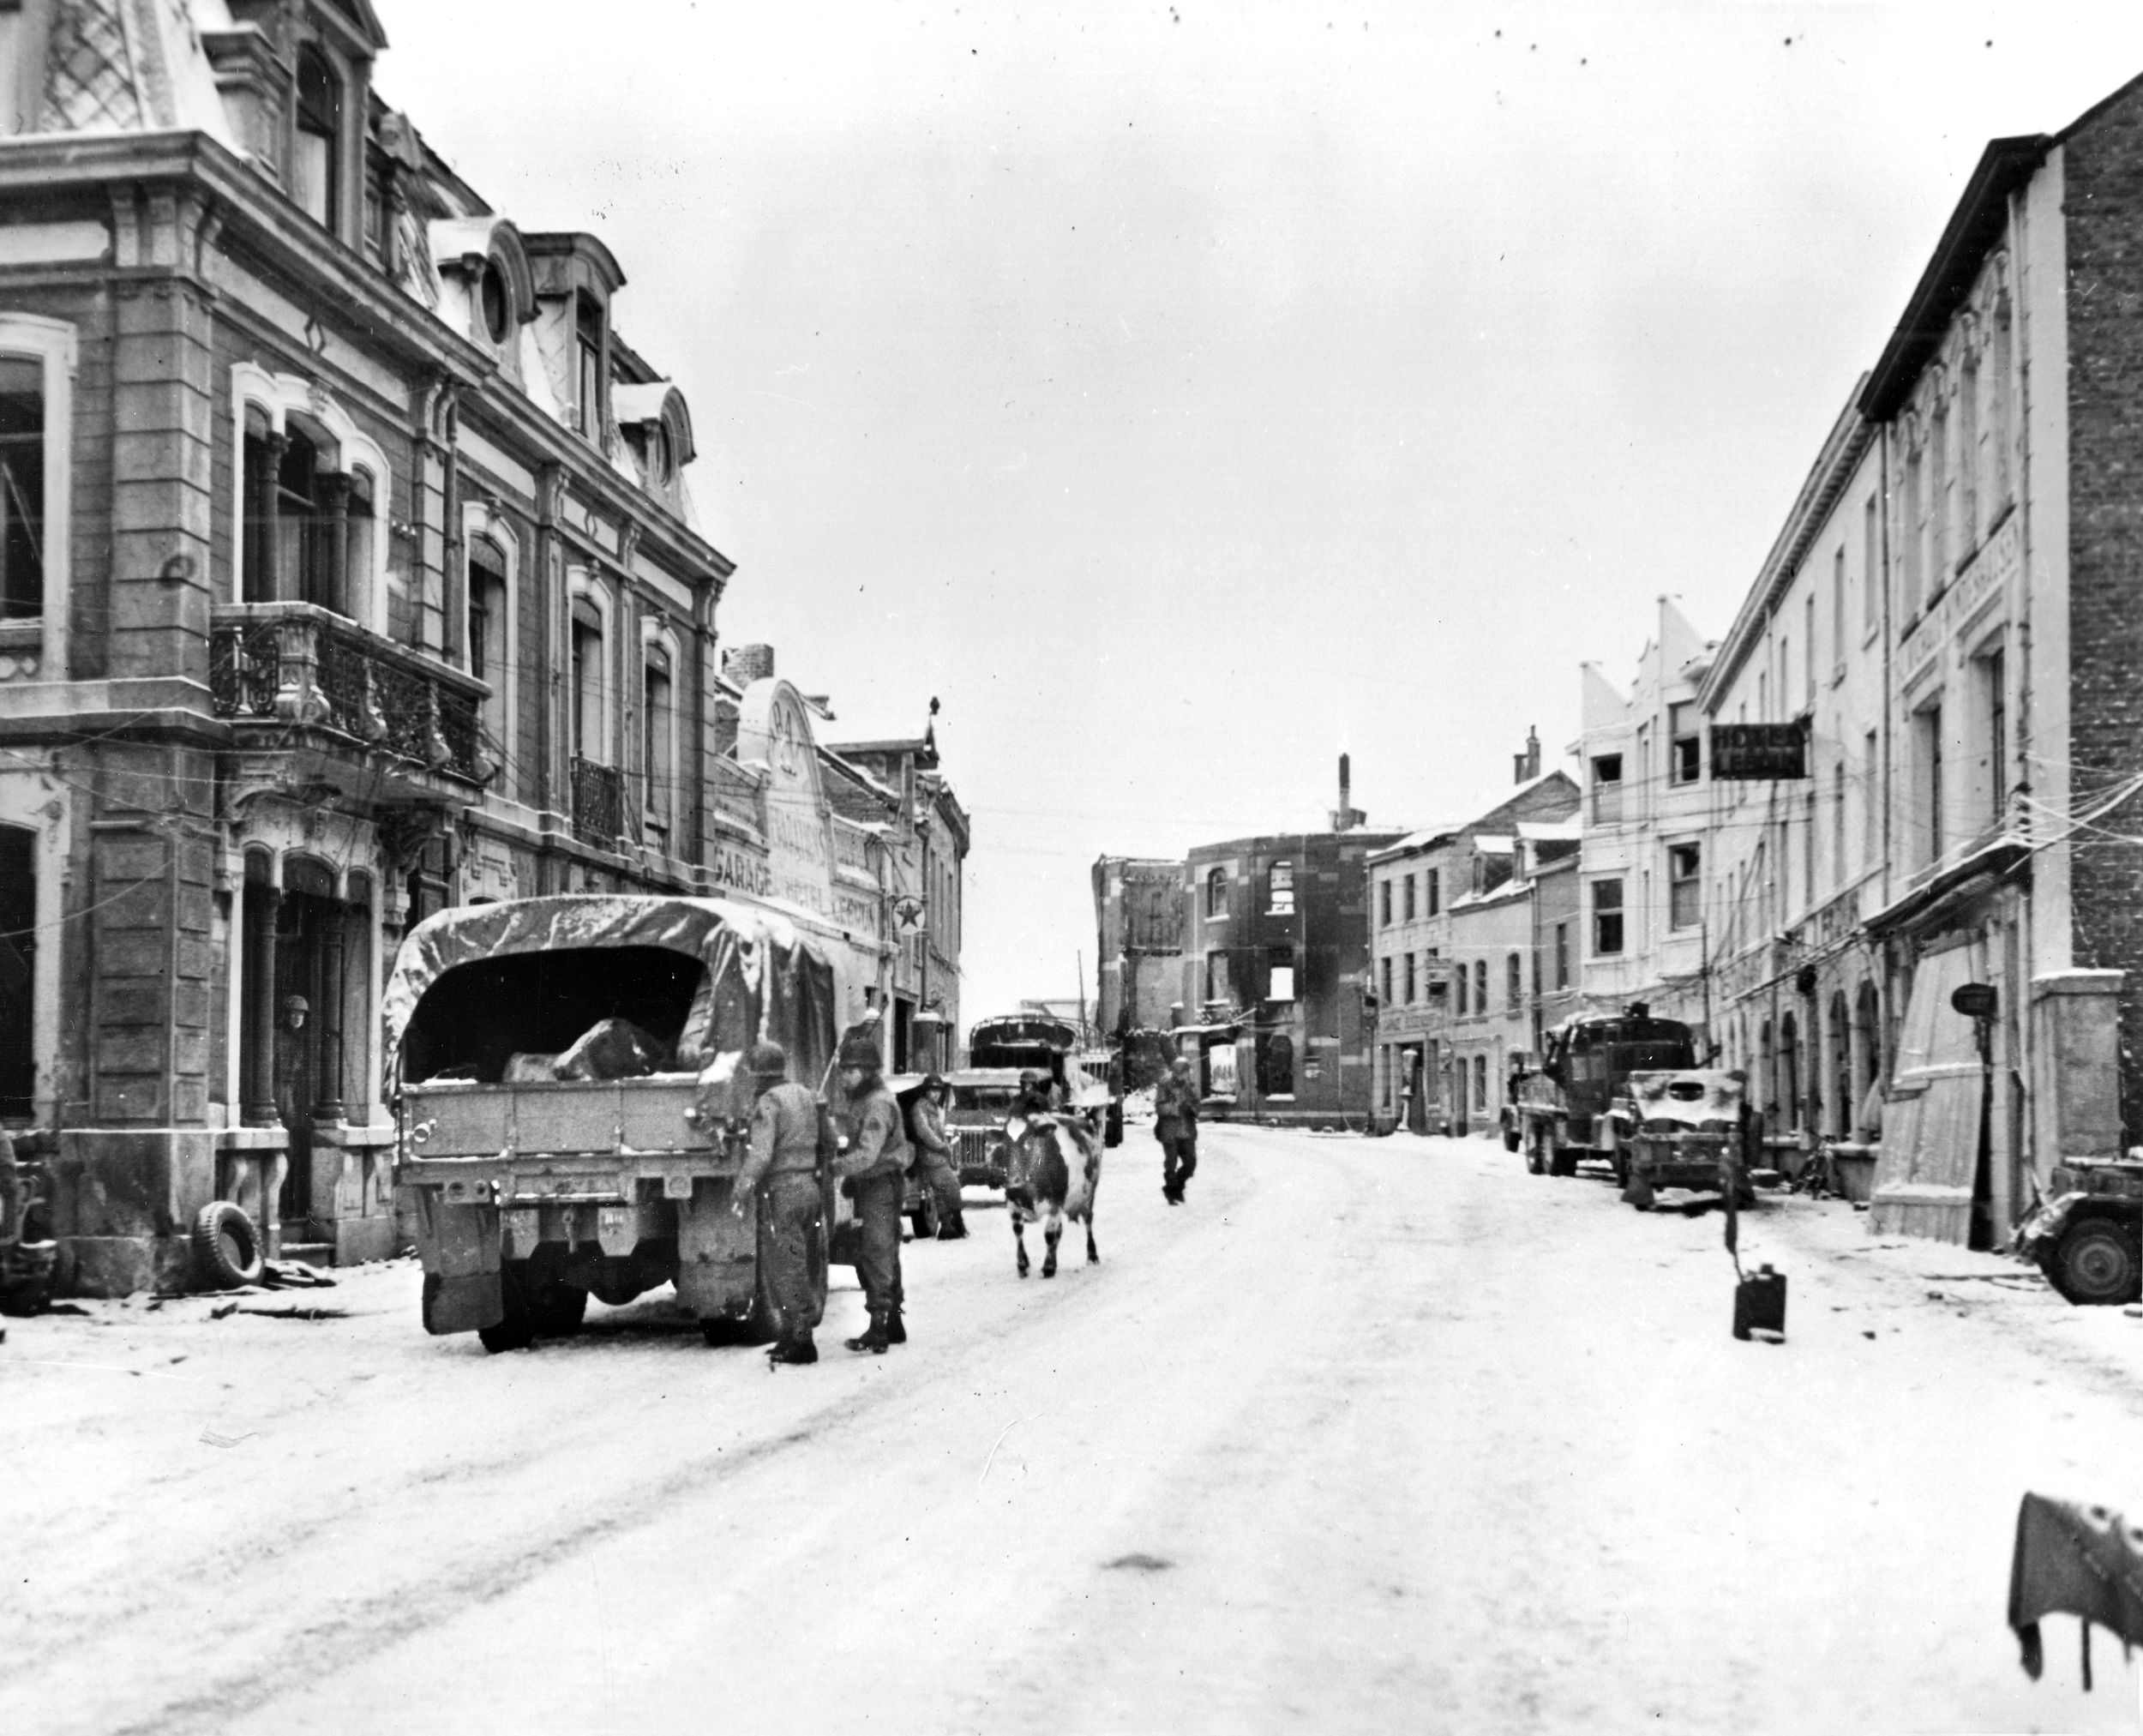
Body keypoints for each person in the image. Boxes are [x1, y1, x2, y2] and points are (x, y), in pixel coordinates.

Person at [730, 1041, 825, 1366]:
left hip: (782, 1192)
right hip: (809, 1188)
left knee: (785, 1268)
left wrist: (742, 1186)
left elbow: (762, 1153)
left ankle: (801, 1341)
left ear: (758, 1074)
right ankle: (789, 1336)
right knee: (799, 1263)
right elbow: (828, 1139)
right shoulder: (806, 1094)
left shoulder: (768, 1102)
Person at [830, 1027, 911, 1353]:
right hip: (873, 1182)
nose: (845, 1078)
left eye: (851, 1071)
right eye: (844, 1071)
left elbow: (867, 1153)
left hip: (881, 1184)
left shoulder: (877, 1105)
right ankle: (892, 1322)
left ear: (866, 1072)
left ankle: (879, 1327)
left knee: (876, 1251)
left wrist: (834, 1169)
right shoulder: (864, 1100)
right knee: (881, 1251)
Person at [908, 1074, 968, 1240]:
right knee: (949, 1187)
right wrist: (941, 1147)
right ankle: (952, 1224)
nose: (936, 1094)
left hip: (938, 1155)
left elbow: (940, 1133)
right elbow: (924, 1132)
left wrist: (945, 1148)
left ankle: (950, 1225)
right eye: (932, 1091)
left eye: (938, 1091)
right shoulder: (920, 1108)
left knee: (946, 1190)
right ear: (926, 1092)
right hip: (929, 1156)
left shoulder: (936, 1110)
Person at [1155, 1056, 1199, 1204]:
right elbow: (1160, 1107)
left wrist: (1192, 1108)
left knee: (1190, 1163)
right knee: (1171, 1162)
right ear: (1176, 1072)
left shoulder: (1188, 1086)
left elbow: (1196, 1105)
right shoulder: (1166, 1084)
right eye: (1183, 1072)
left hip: (1186, 1129)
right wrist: (1176, 1106)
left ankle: (1176, 1188)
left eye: (1186, 1072)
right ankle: (1172, 1191)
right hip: (1170, 1130)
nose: (1185, 1075)